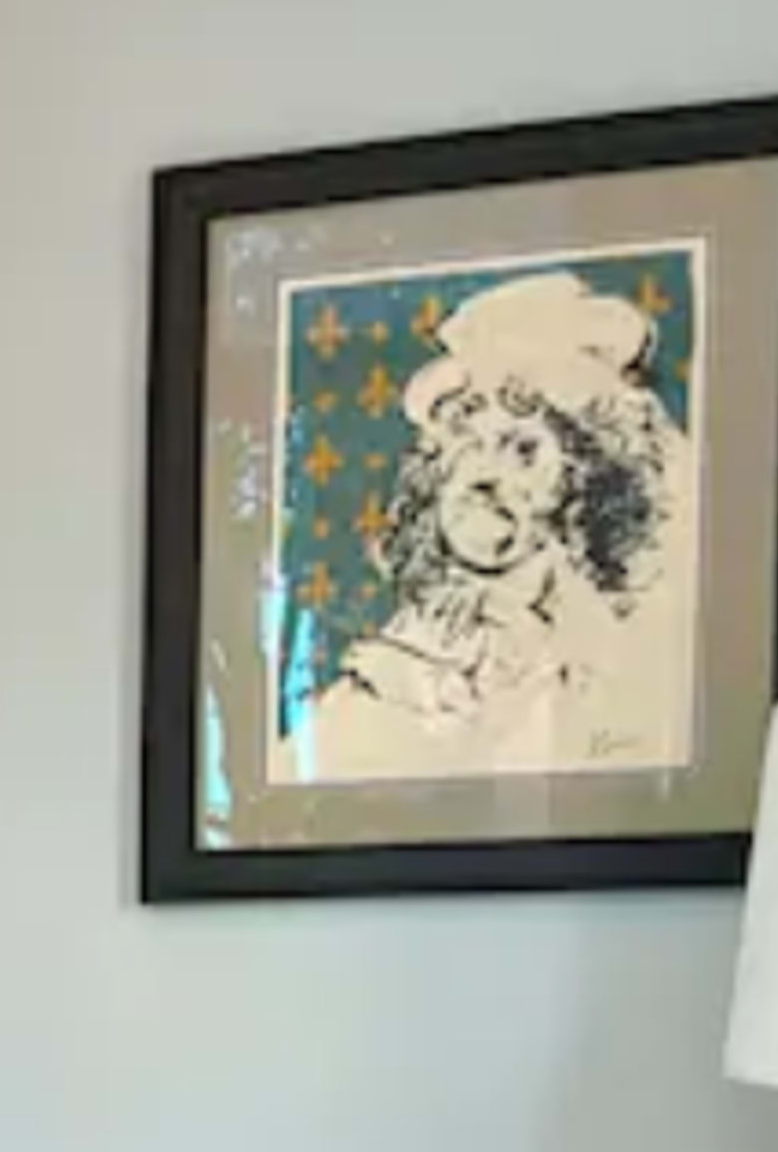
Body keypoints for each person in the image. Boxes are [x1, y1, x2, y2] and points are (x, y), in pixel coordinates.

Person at [298, 268, 697, 784]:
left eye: (523, 450)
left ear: (588, 476)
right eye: (466, 444)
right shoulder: (410, 649)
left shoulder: (621, 649)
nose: (484, 474)